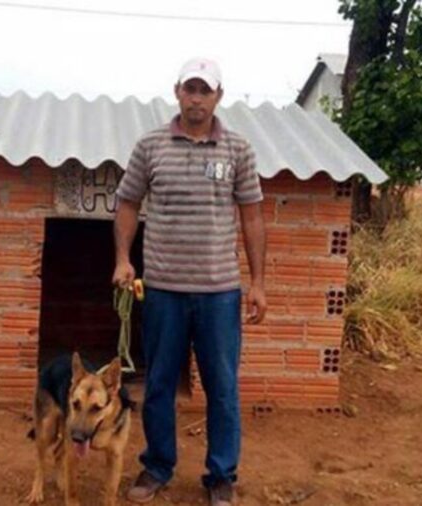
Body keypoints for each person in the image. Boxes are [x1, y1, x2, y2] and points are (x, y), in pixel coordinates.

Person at [111, 57, 267, 506]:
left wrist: (258, 283)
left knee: (222, 386)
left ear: (219, 96)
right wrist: (123, 259)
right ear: (177, 90)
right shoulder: (150, 146)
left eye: (206, 90)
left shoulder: (239, 149)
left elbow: (252, 216)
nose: (196, 98)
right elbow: (126, 203)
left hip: (220, 293)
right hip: (162, 289)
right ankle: (157, 466)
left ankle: (221, 475)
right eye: (190, 88)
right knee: (159, 383)